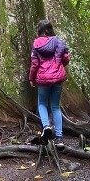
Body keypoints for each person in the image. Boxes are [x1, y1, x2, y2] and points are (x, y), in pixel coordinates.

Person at [29, 19, 70, 149]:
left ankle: (46, 126)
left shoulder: (36, 44)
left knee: (42, 103)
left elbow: (35, 64)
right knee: (55, 107)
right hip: (57, 78)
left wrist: (31, 78)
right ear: (50, 29)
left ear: (39, 30)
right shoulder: (58, 42)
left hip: (43, 79)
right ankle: (59, 139)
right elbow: (65, 59)